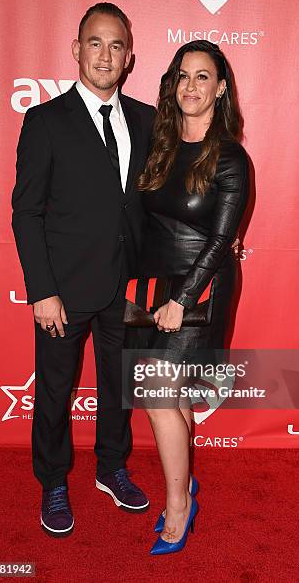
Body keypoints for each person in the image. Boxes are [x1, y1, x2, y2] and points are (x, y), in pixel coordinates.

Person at [11, 2, 155, 537]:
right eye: (95, 43)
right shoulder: (45, 121)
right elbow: (26, 212)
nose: (105, 55)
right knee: (53, 391)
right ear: (77, 50)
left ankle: (112, 468)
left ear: (129, 58)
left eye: (116, 45)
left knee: (119, 386)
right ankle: (52, 481)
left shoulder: (147, 120)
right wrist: (42, 291)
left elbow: (158, 203)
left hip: (127, 286)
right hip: (63, 291)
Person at [128, 40, 250, 555]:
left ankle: (178, 505)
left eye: (204, 77)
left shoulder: (230, 157)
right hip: (156, 287)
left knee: (157, 400)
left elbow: (222, 241)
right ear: (171, 83)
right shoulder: (159, 143)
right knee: (171, 398)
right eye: (183, 76)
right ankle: (186, 485)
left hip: (200, 289)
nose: (191, 87)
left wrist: (182, 299)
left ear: (221, 88)